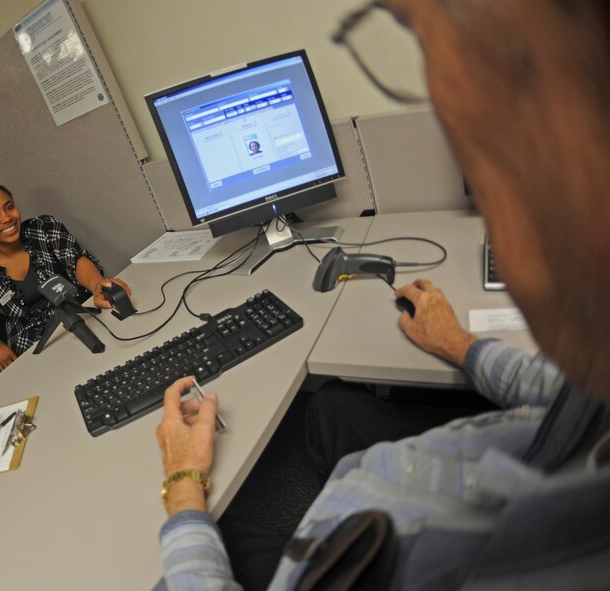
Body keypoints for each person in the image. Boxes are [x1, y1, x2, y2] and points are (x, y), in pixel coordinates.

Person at [153, 1, 610, 589]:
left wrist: (182, 486)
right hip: (446, 472)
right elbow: (565, 393)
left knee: (213, 533)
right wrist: (463, 346)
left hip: (359, 548)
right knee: (328, 406)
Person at [0, 182, 130, 370]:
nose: (7, 218)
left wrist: (97, 285)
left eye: (9, 207)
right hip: (33, 345)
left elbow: (75, 260)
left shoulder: (44, 227)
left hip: (80, 315)